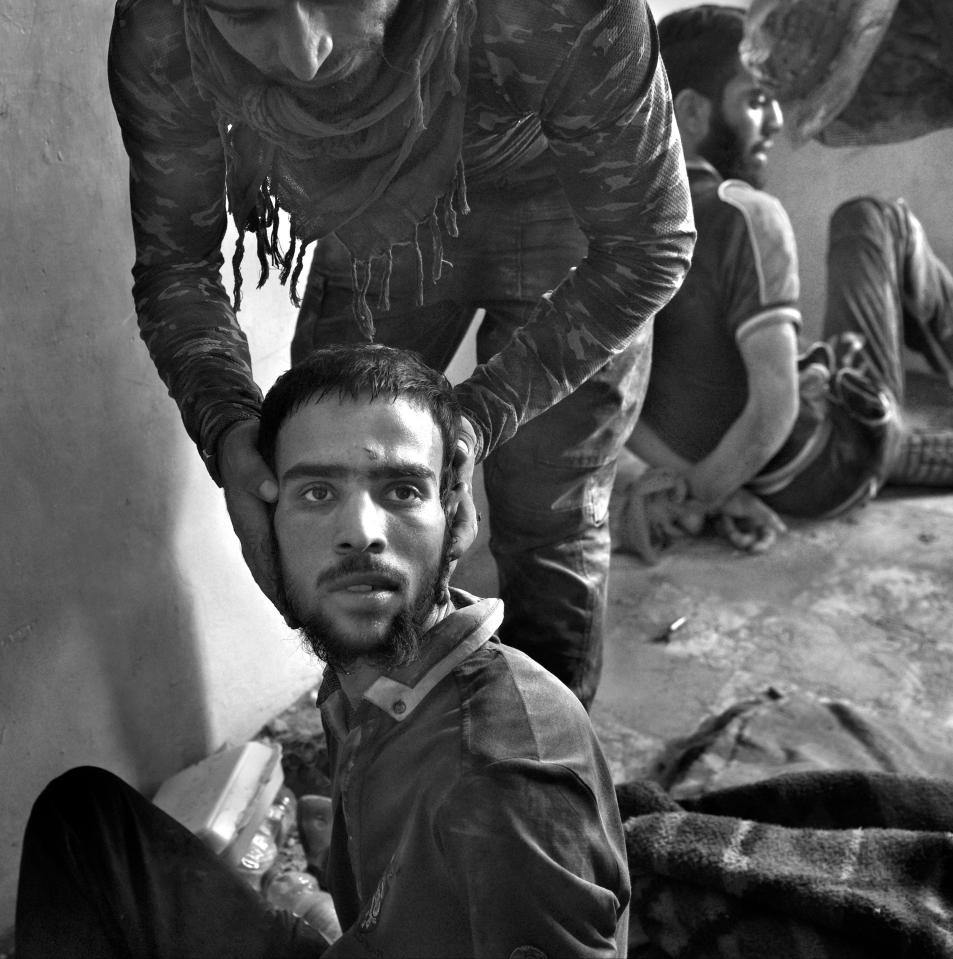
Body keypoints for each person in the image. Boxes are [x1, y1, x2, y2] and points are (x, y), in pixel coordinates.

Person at [106, 0, 694, 708]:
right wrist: (228, 427)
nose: (304, 56)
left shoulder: (556, 11)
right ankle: (375, 761)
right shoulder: (165, 25)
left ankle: (540, 778)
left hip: (567, 213)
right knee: (336, 485)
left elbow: (645, 244)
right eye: (246, 10)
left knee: (549, 510)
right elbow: (177, 268)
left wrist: (477, 418)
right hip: (378, 223)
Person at [16, 344, 631, 958]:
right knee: (84, 817)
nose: (361, 533)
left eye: (401, 491)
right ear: (265, 525)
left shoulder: (500, 776)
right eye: (316, 493)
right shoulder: (372, 676)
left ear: (454, 516)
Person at [610, 4, 953, 562]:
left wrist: (703, 487)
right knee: (871, 220)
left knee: (814, 361)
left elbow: (622, 405)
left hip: (752, 479)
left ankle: (895, 446)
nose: (775, 120)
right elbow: (774, 412)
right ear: (693, 113)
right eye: (755, 99)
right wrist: (703, 501)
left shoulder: (618, 230)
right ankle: (885, 446)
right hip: (828, 460)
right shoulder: (746, 213)